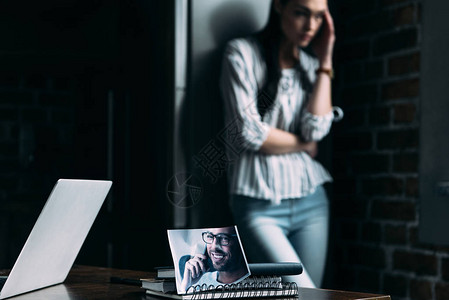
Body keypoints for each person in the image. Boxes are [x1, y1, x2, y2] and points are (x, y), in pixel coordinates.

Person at [219, 0, 342, 288]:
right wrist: (303, 145)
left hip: (311, 202)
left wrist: (325, 62)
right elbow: (249, 133)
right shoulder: (241, 53)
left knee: (311, 295)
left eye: (318, 17)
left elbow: (317, 128)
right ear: (279, 6)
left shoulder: (312, 66)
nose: (310, 26)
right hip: (258, 205)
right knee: (302, 292)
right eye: (301, 13)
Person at [179, 227, 249, 293]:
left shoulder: (254, 283)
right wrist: (186, 287)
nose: (214, 247)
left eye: (224, 238)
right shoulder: (199, 282)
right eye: (210, 236)